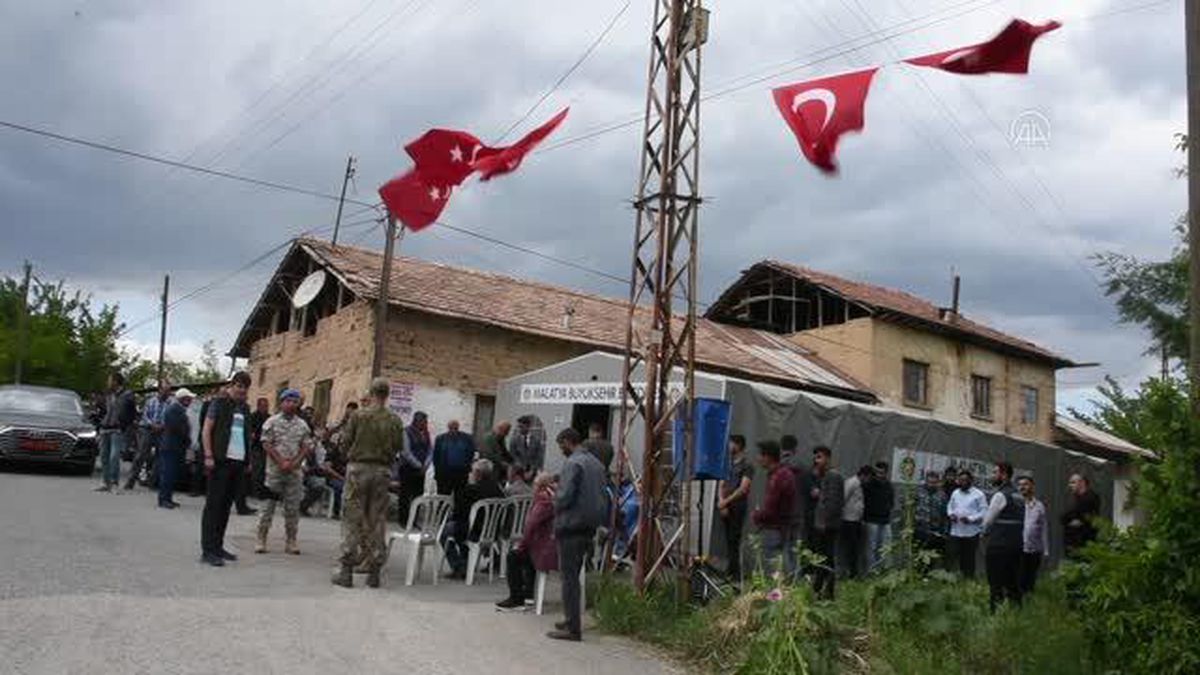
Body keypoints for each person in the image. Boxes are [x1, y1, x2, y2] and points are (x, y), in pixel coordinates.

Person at [333, 378, 404, 589]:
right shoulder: (394, 420)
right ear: (387, 394)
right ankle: (374, 571)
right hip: (382, 471)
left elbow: (344, 443)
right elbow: (398, 447)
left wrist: (352, 456)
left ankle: (346, 571)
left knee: (352, 518)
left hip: (358, 469)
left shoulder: (359, 415)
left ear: (371, 392)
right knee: (377, 520)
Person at [547, 428, 608, 642]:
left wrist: (552, 497)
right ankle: (569, 617)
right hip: (589, 526)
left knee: (569, 578)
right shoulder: (596, 463)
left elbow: (564, 498)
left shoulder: (573, 463)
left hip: (571, 525)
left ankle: (573, 628)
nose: (560, 450)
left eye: (560, 445)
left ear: (567, 441)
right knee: (575, 574)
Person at [199, 371, 253, 567]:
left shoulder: (245, 409)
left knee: (225, 508)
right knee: (213, 506)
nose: (241, 390)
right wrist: (208, 455)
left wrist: (248, 461)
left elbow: (247, 436)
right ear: (232, 385)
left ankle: (218, 546)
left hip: (237, 464)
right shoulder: (219, 404)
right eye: (238, 386)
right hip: (219, 461)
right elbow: (206, 430)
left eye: (245, 387)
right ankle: (208, 550)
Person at [255, 389, 314, 555]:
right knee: (267, 507)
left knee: (293, 509)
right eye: (288, 401)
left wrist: (295, 462)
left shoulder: (302, 425)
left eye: (294, 402)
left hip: (294, 473)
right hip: (274, 472)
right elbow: (266, 444)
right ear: (281, 403)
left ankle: (291, 541)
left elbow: (306, 446)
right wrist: (281, 461)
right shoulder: (271, 422)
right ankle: (261, 538)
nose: (291, 404)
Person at [496, 472, 558, 610]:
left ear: (539, 486)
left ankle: (516, 598)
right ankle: (528, 595)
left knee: (514, 557)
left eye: (535, 484)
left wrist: (522, 546)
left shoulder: (543, 501)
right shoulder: (554, 498)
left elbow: (531, 526)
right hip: (552, 546)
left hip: (546, 551)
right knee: (528, 556)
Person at [439, 458, 505, 579]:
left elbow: (459, 513)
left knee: (444, 531)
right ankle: (465, 564)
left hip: (473, 531)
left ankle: (458, 566)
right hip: (492, 531)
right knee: (459, 528)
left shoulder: (471, 490)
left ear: (478, 473)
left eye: (472, 471)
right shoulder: (498, 490)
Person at [982, 462, 1026, 612]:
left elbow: (988, 521)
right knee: (1013, 582)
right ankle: (1016, 612)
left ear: (1004, 475)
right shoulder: (1019, 495)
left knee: (995, 582)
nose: (992, 476)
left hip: (999, 545)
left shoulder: (1000, 495)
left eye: (995, 472)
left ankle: (995, 614)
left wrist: (984, 532)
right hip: (1016, 545)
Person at [751, 440, 797, 578]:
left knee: (774, 570)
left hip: (773, 529)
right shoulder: (783, 474)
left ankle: (780, 597)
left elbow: (771, 509)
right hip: (782, 527)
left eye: (760, 455)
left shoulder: (778, 477)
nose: (758, 459)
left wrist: (756, 515)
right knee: (782, 565)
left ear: (768, 457)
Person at [810, 445, 844, 599]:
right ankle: (820, 590)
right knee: (823, 558)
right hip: (823, 524)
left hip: (827, 526)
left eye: (819, 457)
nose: (816, 460)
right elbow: (826, 499)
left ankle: (826, 591)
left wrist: (824, 522)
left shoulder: (833, 476)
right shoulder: (824, 476)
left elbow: (835, 503)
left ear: (828, 458)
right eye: (815, 457)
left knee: (826, 559)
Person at [717, 434, 753, 581]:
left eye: (731, 444)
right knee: (727, 540)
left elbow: (743, 488)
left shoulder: (747, 466)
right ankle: (731, 572)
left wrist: (726, 502)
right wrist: (721, 501)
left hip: (737, 507)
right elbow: (721, 483)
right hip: (725, 506)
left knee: (734, 539)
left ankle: (735, 574)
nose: (729, 447)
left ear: (738, 446)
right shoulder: (728, 464)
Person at [95, 372, 136, 492]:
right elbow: (102, 410)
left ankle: (114, 483)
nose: (108, 383)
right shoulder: (108, 395)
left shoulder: (127, 395)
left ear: (116, 382)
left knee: (114, 456)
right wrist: (100, 424)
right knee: (104, 456)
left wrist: (124, 425)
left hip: (117, 429)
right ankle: (105, 482)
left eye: (109, 380)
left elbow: (132, 413)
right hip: (105, 428)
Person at [127, 382, 171, 490]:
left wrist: (162, 426)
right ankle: (131, 480)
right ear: (159, 390)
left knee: (159, 457)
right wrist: (152, 424)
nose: (167, 393)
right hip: (148, 429)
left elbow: (170, 418)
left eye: (168, 390)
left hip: (162, 431)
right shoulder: (150, 401)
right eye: (165, 390)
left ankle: (152, 482)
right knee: (140, 455)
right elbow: (145, 415)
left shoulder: (170, 403)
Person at [157, 388, 196, 509]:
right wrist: (187, 439)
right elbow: (178, 429)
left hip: (175, 446)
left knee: (172, 473)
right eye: (188, 399)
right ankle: (164, 499)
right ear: (183, 399)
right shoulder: (175, 409)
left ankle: (168, 498)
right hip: (171, 446)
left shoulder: (178, 409)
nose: (190, 401)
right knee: (168, 473)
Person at [946, 469, 987, 579]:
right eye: (961, 480)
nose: (963, 482)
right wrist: (951, 514)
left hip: (971, 532)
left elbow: (984, 512)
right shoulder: (955, 492)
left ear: (971, 481)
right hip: (956, 531)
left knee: (968, 558)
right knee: (951, 554)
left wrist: (971, 519)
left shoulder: (979, 494)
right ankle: (950, 578)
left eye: (965, 480)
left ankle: (968, 579)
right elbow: (950, 506)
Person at [394, 411, 431, 527]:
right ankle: (403, 521)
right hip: (407, 468)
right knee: (405, 496)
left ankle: (414, 520)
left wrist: (426, 464)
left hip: (421, 470)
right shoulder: (406, 432)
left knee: (418, 496)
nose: (426, 424)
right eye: (424, 422)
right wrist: (419, 465)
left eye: (426, 422)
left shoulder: (426, 433)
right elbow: (406, 452)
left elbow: (430, 449)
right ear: (417, 421)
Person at [1017, 475, 1049, 597]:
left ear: (1032, 486)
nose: (1022, 487)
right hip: (1018, 547)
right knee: (1018, 576)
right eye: (1020, 485)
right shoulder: (1015, 504)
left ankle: (1029, 601)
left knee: (1031, 577)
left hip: (1034, 548)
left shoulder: (1039, 506)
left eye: (1025, 484)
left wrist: (1045, 550)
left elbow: (1044, 528)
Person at [781, 434, 813, 550]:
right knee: (797, 548)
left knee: (782, 547)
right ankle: (796, 569)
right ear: (795, 448)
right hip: (799, 511)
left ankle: (784, 568)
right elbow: (811, 491)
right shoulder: (804, 466)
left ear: (781, 447)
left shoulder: (777, 467)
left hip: (782, 513)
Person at [863, 461, 894, 573]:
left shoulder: (889, 485)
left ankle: (884, 570)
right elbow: (864, 501)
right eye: (877, 472)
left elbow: (891, 501)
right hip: (871, 520)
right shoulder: (869, 484)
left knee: (886, 547)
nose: (879, 475)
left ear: (886, 473)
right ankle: (872, 571)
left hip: (885, 520)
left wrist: (887, 510)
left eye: (882, 473)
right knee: (871, 547)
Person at [914, 470, 949, 569]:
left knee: (931, 557)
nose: (931, 485)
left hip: (935, 531)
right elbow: (910, 509)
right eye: (929, 482)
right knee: (919, 555)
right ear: (926, 481)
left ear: (938, 482)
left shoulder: (942, 495)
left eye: (934, 483)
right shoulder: (918, 492)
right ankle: (919, 575)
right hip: (920, 529)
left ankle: (928, 577)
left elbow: (945, 514)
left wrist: (944, 531)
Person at [839, 465, 870, 579]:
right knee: (851, 548)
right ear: (864, 475)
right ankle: (850, 573)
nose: (868, 481)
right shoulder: (852, 482)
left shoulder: (859, 484)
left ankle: (853, 572)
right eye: (868, 478)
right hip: (849, 520)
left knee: (855, 548)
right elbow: (843, 498)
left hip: (856, 520)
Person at [1062, 473, 1101, 559]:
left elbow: (1084, 518)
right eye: (1070, 483)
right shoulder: (1075, 498)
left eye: (1073, 482)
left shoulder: (1090, 497)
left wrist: (1078, 520)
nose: (1070, 485)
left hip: (1083, 543)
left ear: (1082, 483)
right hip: (1073, 543)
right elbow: (1064, 517)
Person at [432, 420, 475, 496]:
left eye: (455, 428)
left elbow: (471, 453)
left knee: (460, 496)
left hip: (461, 473)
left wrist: (468, 467)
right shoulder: (440, 438)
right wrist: (437, 473)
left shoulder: (467, 438)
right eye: (451, 428)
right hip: (444, 474)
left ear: (458, 427)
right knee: (443, 496)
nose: (453, 430)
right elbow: (436, 457)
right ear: (448, 428)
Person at [247, 396, 271, 502]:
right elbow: (250, 431)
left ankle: (262, 492)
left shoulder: (269, 418)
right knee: (256, 470)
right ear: (258, 406)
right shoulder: (253, 416)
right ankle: (254, 492)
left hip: (267, 448)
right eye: (263, 406)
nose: (265, 408)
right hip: (256, 447)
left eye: (266, 406)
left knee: (264, 471)